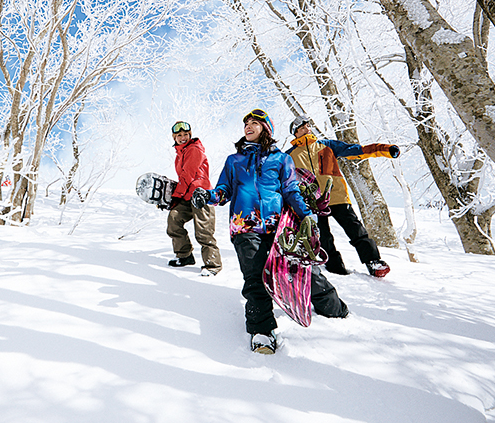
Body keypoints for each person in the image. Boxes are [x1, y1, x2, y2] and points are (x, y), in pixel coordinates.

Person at [192, 109, 348, 354]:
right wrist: (208, 196)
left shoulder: (280, 160)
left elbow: (290, 190)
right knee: (255, 276)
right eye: (246, 124)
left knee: (301, 269)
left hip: (280, 228)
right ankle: (261, 330)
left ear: (266, 129)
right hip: (245, 226)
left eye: (254, 123)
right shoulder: (235, 161)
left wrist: (306, 215)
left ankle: (334, 308)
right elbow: (224, 190)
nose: (248, 127)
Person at [286, 115, 400, 277]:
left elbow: (357, 150)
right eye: (302, 128)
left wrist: (385, 149)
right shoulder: (289, 156)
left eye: (308, 126)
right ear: (295, 133)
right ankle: (334, 267)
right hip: (312, 203)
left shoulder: (327, 146)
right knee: (322, 238)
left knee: (356, 230)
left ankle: (373, 262)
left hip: (337, 197)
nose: (307, 129)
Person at [166, 121, 222, 276]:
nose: (182, 137)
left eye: (185, 134)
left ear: (190, 135)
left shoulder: (194, 149)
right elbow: (183, 179)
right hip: (187, 196)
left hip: (200, 195)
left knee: (203, 231)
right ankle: (184, 256)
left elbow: (188, 175)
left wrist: (175, 197)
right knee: (174, 220)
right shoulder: (180, 154)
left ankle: (213, 265)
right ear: (174, 138)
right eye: (179, 135)